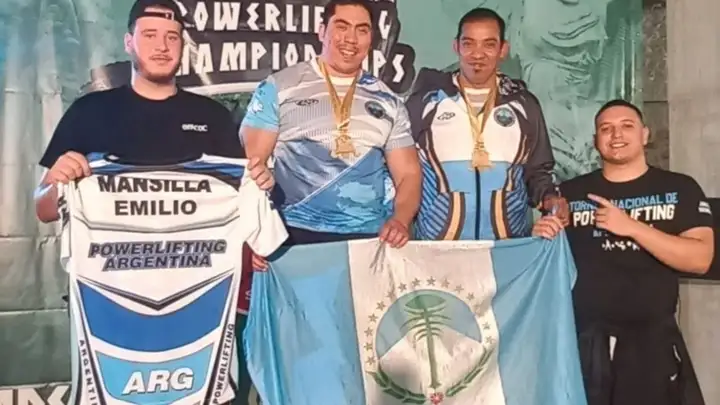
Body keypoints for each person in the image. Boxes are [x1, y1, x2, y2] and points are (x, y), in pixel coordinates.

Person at [533, 99, 713, 405]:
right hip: (583, 343)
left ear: (645, 134)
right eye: (606, 129)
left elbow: (700, 260)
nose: (616, 135)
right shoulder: (570, 194)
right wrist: (541, 236)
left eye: (626, 126)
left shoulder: (680, 188)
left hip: (650, 345)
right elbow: (547, 269)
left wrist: (632, 227)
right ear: (595, 141)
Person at [34, 0, 259, 223]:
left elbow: (241, 198)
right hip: (112, 246)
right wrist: (56, 185)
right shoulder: (87, 112)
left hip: (196, 246)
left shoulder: (213, 115)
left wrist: (259, 182)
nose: (162, 46)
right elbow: (43, 210)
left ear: (182, 45)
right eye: (150, 35)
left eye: (172, 37)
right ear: (129, 42)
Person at [241, 0, 422, 258]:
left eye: (362, 29)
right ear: (322, 31)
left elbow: (408, 174)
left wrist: (400, 220)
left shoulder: (389, 100)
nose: (351, 38)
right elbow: (251, 169)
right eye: (342, 26)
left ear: (371, 38)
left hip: (367, 238)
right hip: (291, 235)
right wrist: (255, 234)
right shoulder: (279, 86)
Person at [404, 7, 567, 241]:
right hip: (437, 250)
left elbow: (537, 172)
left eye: (489, 45)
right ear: (456, 46)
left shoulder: (523, 104)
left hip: (506, 247)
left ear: (503, 50)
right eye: (468, 44)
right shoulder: (425, 103)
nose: (477, 54)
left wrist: (550, 198)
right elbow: (402, 174)